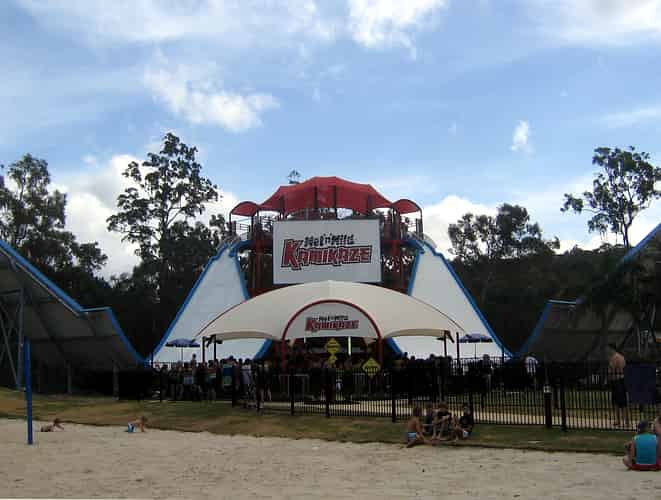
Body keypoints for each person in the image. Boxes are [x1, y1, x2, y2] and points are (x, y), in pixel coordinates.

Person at [608, 344, 628, 427]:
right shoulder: (622, 357)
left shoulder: (614, 357)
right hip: (622, 380)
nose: (607, 351)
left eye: (608, 349)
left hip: (616, 381)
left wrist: (609, 375)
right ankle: (626, 421)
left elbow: (612, 369)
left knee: (616, 402)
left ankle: (619, 420)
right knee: (623, 402)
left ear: (612, 349)